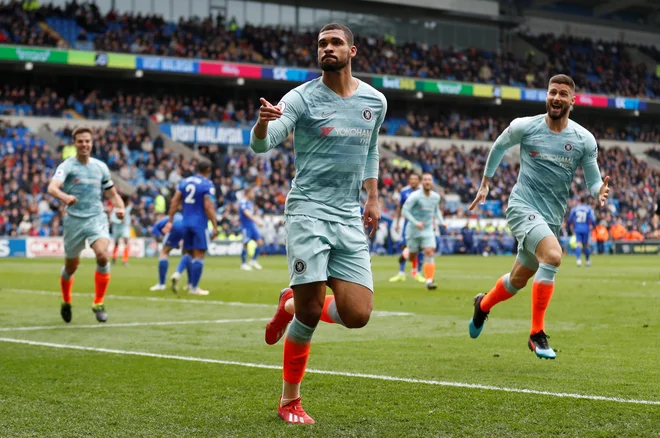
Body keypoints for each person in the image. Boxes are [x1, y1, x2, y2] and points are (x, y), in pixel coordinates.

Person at [250, 23, 387, 424]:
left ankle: (287, 303)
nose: (327, 48)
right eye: (322, 44)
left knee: (358, 314)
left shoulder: (374, 101)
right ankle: (289, 400)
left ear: (352, 51)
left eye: (335, 43)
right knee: (309, 315)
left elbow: (371, 148)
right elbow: (262, 144)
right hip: (308, 211)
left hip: (348, 214)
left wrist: (373, 196)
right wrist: (262, 123)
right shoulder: (300, 97)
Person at [467, 74, 610, 359]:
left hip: (551, 218)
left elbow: (593, 180)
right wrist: (485, 182)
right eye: (552, 92)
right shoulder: (525, 126)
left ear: (572, 100)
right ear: (547, 95)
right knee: (554, 256)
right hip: (522, 207)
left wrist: (599, 192)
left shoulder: (584, 139)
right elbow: (498, 146)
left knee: (516, 281)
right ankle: (536, 333)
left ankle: (482, 305)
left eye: (562, 94)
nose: (556, 97)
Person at [47, 126, 125, 324]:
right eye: (80, 141)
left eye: (87, 141)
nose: (84, 145)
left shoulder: (100, 167)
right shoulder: (68, 166)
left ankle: (98, 303)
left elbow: (113, 194)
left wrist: (120, 207)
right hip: (74, 221)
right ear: (74, 143)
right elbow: (52, 188)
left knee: (102, 255)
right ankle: (66, 300)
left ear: (92, 143)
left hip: (96, 218)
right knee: (71, 267)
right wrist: (65, 197)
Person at [165, 162, 218, 296]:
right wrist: (215, 224)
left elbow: (174, 201)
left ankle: (178, 272)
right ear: (208, 170)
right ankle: (194, 287)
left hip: (185, 222)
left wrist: (170, 220)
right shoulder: (207, 184)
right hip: (200, 223)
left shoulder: (184, 182)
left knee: (188, 253)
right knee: (199, 255)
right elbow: (208, 206)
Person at [400, 173, 444, 290]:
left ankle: (429, 281)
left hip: (428, 229)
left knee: (429, 252)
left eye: (429, 180)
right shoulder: (415, 196)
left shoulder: (436, 197)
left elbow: (436, 211)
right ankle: (405, 253)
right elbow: (404, 211)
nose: (427, 182)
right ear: (422, 182)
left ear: (432, 182)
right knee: (412, 256)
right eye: (425, 180)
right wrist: (416, 223)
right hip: (413, 230)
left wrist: (442, 221)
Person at [388, 173, 425, 282]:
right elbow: (400, 208)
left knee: (420, 248)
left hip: (420, 223)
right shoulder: (404, 191)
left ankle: (417, 272)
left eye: (415, 179)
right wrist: (398, 223)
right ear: (409, 181)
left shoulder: (423, 191)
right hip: (407, 223)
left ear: (419, 181)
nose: (413, 181)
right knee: (404, 246)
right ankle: (401, 273)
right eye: (412, 179)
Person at [149, 212, 197, 293]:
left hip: (176, 227)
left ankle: (161, 284)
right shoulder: (177, 216)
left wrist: (162, 239)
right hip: (187, 226)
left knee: (164, 252)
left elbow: (154, 230)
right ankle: (190, 283)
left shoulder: (161, 222)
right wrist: (176, 243)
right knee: (188, 254)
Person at [238, 186, 264, 271]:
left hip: (252, 226)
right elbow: (247, 213)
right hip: (246, 226)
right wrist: (257, 221)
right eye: (252, 193)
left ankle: (253, 260)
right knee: (245, 244)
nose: (253, 195)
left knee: (260, 242)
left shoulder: (250, 203)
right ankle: (243, 263)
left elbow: (252, 212)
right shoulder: (243, 202)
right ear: (247, 193)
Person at [567, 196, 596, 267]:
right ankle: (588, 261)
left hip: (578, 228)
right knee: (586, 245)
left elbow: (570, 219)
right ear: (585, 201)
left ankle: (578, 260)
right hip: (586, 229)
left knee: (578, 244)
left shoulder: (575, 209)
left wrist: (569, 226)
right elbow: (592, 219)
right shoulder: (588, 209)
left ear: (579, 201)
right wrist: (594, 226)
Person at [110, 194, 132, 266]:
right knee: (116, 243)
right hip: (117, 228)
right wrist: (119, 221)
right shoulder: (116, 209)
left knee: (126, 241)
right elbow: (112, 219)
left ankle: (125, 260)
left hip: (125, 227)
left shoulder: (128, 208)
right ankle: (114, 257)